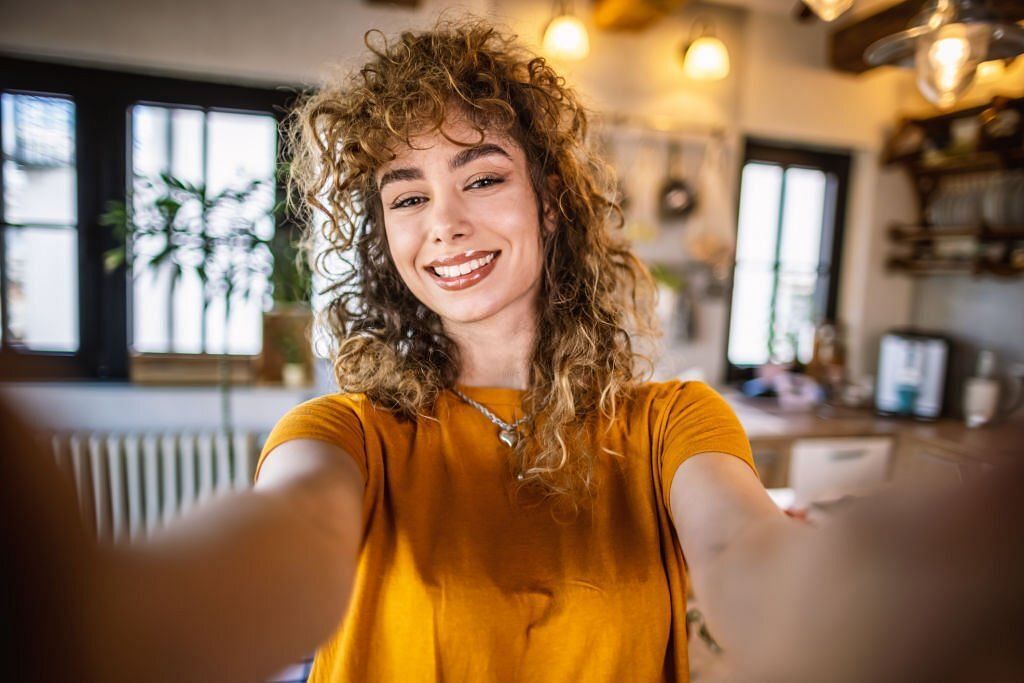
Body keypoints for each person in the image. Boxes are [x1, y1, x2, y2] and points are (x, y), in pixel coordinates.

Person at [2, 16, 1022, 683]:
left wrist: (881, 590)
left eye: (479, 176)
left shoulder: (673, 420)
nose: (441, 223)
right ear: (382, 238)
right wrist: (104, 615)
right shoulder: (346, 434)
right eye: (406, 196)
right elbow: (291, 548)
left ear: (549, 200)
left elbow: (741, 555)